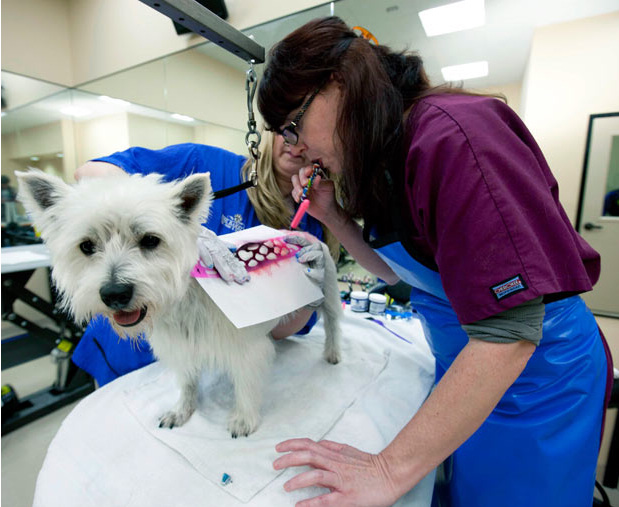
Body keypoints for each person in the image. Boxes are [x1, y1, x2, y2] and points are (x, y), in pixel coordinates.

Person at [257, 16, 612, 507]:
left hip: (535, 383)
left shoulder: (455, 138)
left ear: (339, 84)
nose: (293, 152)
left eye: (293, 128)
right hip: (468, 371)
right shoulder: (385, 158)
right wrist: (332, 215)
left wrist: (385, 469)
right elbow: (402, 274)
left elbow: (512, 331)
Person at [72, 131, 338, 387]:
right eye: (287, 128)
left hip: (210, 368)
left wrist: (306, 296)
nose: (297, 143)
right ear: (268, 129)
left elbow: (275, 332)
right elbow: (90, 173)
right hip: (132, 353)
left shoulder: (311, 226)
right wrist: (172, 229)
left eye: (311, 132)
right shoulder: (204, 163)